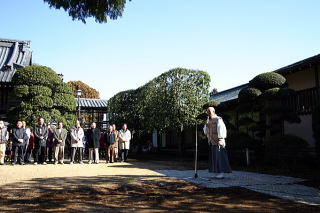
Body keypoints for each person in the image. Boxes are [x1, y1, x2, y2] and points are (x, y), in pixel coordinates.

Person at [203, 107, 232, 179]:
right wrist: (206, 125)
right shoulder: (208, 120)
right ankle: (216, 172)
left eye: (210, 111)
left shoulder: (218, 119)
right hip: (212, 141)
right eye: (207, 111)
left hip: (218, 140)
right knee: (214, 157)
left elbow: (221, 128)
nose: (208, 113)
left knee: (220, 157)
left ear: (213, 111)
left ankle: (221, 172)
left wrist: (221, 138)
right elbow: (205, 131)